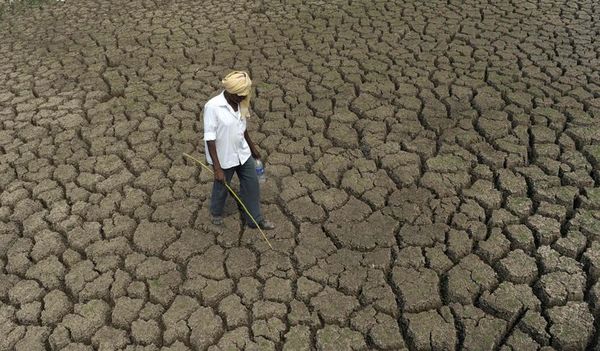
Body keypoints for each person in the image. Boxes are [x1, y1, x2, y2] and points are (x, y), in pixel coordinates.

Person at [202, 70, 275, 230]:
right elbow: (210, 138)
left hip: (242, 153)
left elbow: (242, 127)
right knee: (222, 187)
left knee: (252, 184)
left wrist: (252, 147)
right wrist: (217, 168)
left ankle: (255, 219)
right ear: (231, 92)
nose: (244, 98)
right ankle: (215, 212)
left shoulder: (241, 102)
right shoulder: (213, 107)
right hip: (224, 157)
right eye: (240, 95)